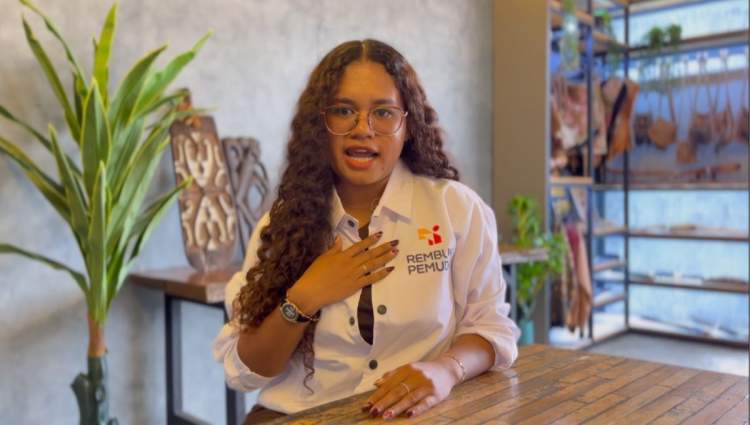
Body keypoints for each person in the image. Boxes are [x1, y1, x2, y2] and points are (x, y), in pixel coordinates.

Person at [213, 39, 520, 422]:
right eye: (343, 111)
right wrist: (306, 296)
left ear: (408, 126)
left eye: (383, 112)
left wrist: (445, 370)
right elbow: (247, 371)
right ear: (320, 126)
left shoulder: (455, 209)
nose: (363, 129)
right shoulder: (280, 226)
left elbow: (491, 328)